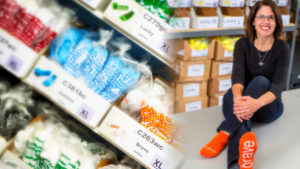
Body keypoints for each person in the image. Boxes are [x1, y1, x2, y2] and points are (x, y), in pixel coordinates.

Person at [199, 0, 290, 169]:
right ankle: (238, 163)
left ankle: (225, 131)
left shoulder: (282, 48)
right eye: (261, 16)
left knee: (260, 81)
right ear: (253, 21)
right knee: (230, 95)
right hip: (245, 107)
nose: (266, 21)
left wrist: (255, 104)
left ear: (276, 22)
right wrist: (239, 99)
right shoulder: (242, 45)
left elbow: (278, 86)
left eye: (271, 17)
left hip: (269, 107)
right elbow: (238, 77)